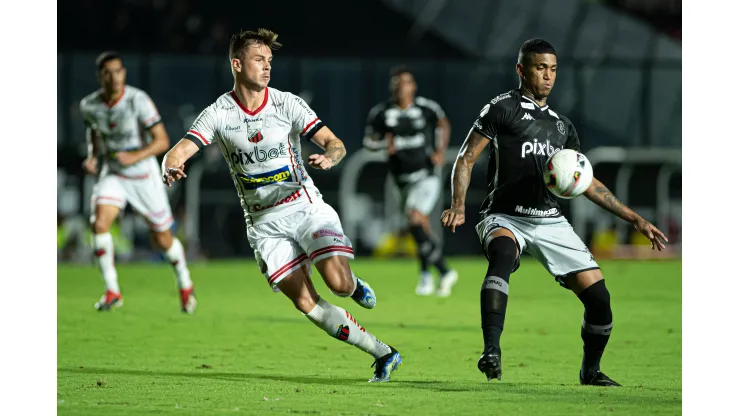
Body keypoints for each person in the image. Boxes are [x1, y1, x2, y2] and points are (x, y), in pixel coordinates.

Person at [161, 29, 402, 382]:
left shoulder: (287, 103)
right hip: (263, 223)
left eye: (269, 61)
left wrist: (331, 158)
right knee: (305, 302)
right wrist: (170, 165)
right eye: (259, 60)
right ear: (237, 64)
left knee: (337, 284)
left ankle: (352, 285)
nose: (267, 67)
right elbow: (178, 150)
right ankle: (383, 353)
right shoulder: (219, 113)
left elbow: (334, 142)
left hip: (304, 206)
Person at [440, 39, 668, 386]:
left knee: (600, 300)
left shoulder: (562, 127)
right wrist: (458, 204)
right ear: (521, 70)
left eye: (553, 69)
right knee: (502, 255)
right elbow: (466, 158)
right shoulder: (502, 108)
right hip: (504, 214)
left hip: (548, 219)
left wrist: (634, 218)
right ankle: (491, 351)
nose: (548, 76)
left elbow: (587, 183)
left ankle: (590, 372)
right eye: (539, 67)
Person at [80, 51, 196, 313]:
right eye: (108, 72)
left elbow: (162, 141)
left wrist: (133, 156)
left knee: (163, 239)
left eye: (118, 70)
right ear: (100, 76)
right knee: (99, 223)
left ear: (124, 73)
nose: (114, 77)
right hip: (113, 172)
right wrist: (92, 157)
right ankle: (112, 291)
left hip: (143, 174)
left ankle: (185, 282)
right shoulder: (89, 105)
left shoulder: (137, 100)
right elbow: (94, 131)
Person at [363, 65, 458, 297]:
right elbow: (369, 142)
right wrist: (385, 144)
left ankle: (441, 272)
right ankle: (432, 273)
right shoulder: (381, 112)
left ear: (413, 86)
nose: (400, 87)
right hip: (400, 180)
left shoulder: (426, 108)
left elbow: (443, 124)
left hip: (425, 176)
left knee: (415, 220)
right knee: (420, 227)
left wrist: (440, 151)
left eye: (405, 82)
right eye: (396, 82)